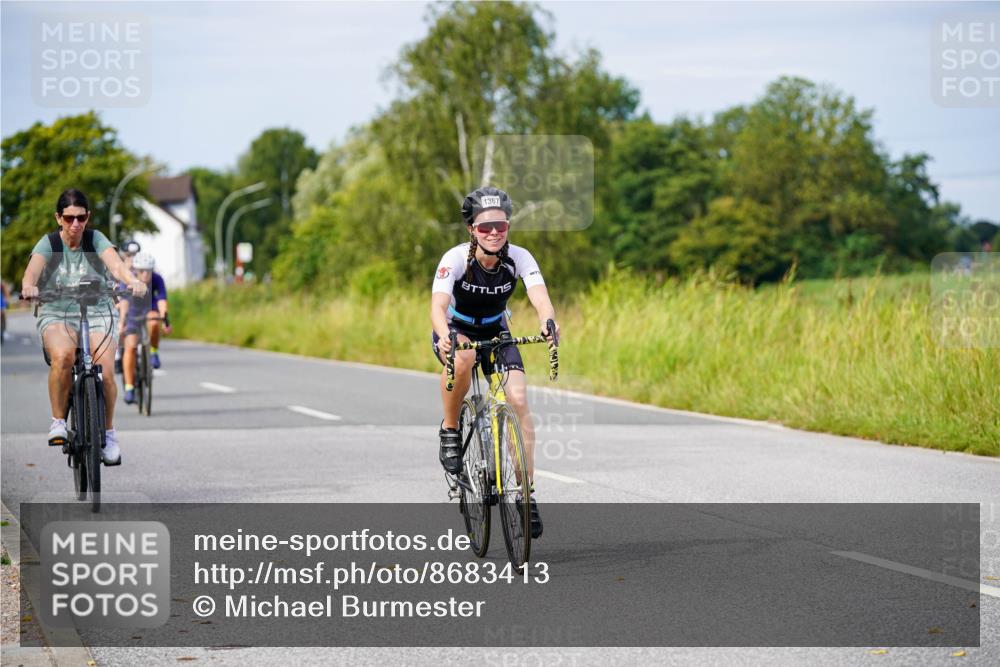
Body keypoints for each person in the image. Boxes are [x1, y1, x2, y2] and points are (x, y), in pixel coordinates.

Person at [430, 186, 559, 539]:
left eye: (500, 225)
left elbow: (540, 297)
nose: (493, 233)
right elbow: (438, 307)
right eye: (485, 227)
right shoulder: (455, 259)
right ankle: (451, 431)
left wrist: (548, 321)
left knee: (518, 399)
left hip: (497, 332)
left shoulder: (520, 257)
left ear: (508, 226)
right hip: (457, 330)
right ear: (472, 229)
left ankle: (525, 494)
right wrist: (444, 335)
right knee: (465, 355)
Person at [20, 188, 147, 464]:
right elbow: (32, 271)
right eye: (68, 218)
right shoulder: (50, 243)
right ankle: (58, 422)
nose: (75, 224)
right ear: (58, 218)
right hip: (56, 310)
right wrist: (29, 286)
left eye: (80, 218)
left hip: (98, 309)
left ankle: (109, 434)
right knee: (64, 356)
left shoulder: (95, 239)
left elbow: (116, 266)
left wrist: (131, 280)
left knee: (107, 372)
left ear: (88, 217)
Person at [117, 251, 171, 404]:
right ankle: (129, 387)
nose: (146, 274)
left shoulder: (157, 279)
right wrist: (122, 322)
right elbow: (124, 302)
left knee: (154, 322)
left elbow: (161, 300)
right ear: (136, 270)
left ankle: (153, 351)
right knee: (131, 347)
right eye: (142, 271)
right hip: (132, 311)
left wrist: (165, 320)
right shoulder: (128, 279)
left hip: (149, 308)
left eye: (149, 271)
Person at [113, 239, 142, 374]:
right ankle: (118, 356)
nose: (132, 257)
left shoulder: (141, 267)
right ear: (123, 254)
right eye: (129, 254)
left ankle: (146, 352)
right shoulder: (117, 268)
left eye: (135, 254)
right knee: (118, 326)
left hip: (137, 304)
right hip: (120, 303)